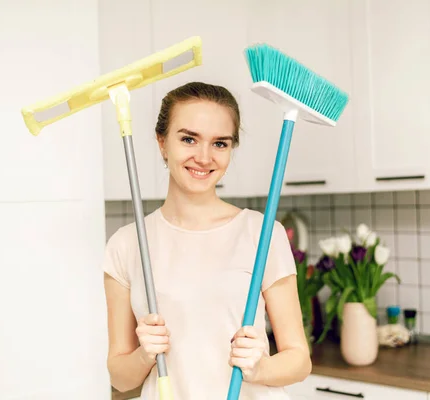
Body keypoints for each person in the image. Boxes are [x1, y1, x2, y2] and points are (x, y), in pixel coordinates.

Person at [102, 81, 311, 399]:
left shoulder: (262, 233)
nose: (204, 157)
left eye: (220, 144)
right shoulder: (127, 244)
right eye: (188, 139)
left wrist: (260, 368)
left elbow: (299, 360)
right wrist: (144, 354)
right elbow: (120, 378)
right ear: (162, 142)